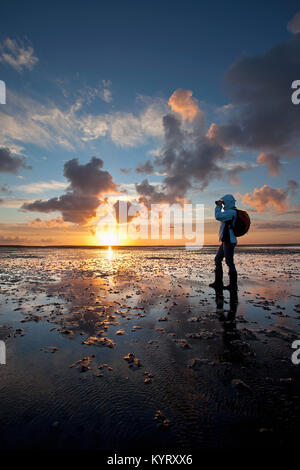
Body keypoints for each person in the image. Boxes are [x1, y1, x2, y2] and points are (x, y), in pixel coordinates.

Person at [209, 194, 238, 291]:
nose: (223, 204)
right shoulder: (229, 212)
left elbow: (218, 216)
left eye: (224, 202)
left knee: (229, 262)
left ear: (228, 202)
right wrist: (220, 206)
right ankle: (218, 282)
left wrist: (218, 206)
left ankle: (233, 285)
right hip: (226, 240)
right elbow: (221, 216)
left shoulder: (231, 213)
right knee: (217, 259)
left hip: (229, 240)